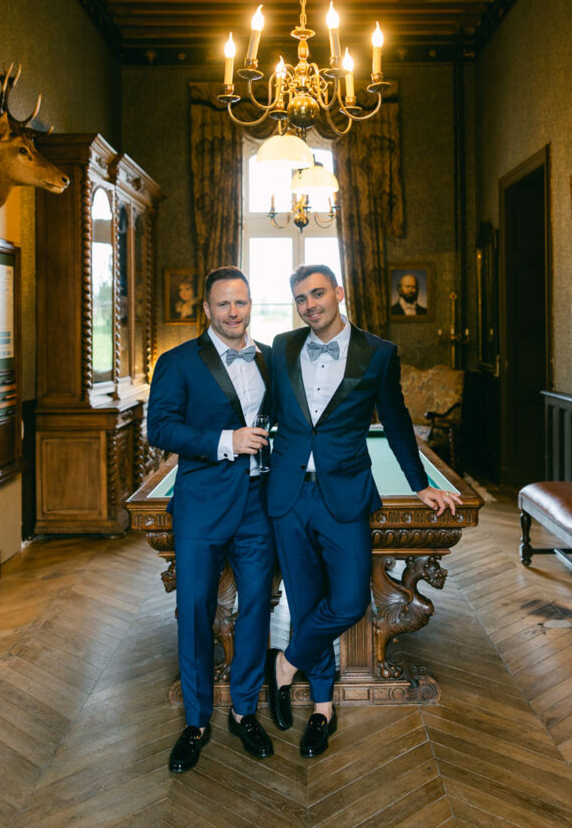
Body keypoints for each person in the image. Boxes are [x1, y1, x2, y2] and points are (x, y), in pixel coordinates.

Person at [265, 264, 455, 757]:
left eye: (318, 294)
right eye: (301, 298)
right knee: (306, 604)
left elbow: (395, 420)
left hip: (346, 494)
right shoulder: (282, 346)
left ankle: (284, 666)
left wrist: (420, 485)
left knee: (349, 602)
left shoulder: (379, 353)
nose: (310, 305)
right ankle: (323, 709)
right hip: (288, 495)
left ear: (340, 293)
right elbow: (260, 410)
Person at [147, 266, 275, 773]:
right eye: (222, 304)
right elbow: (160, 428)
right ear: (206, 309)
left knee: (257, 611)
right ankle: (196, 721)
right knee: (195, 612)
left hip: (259, 506)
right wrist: (227, 442)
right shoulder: (177, 362)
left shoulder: (271, 359)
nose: (233, 313)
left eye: (240, 303)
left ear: (250, 304)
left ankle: (245, 709)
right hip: (201, 506)